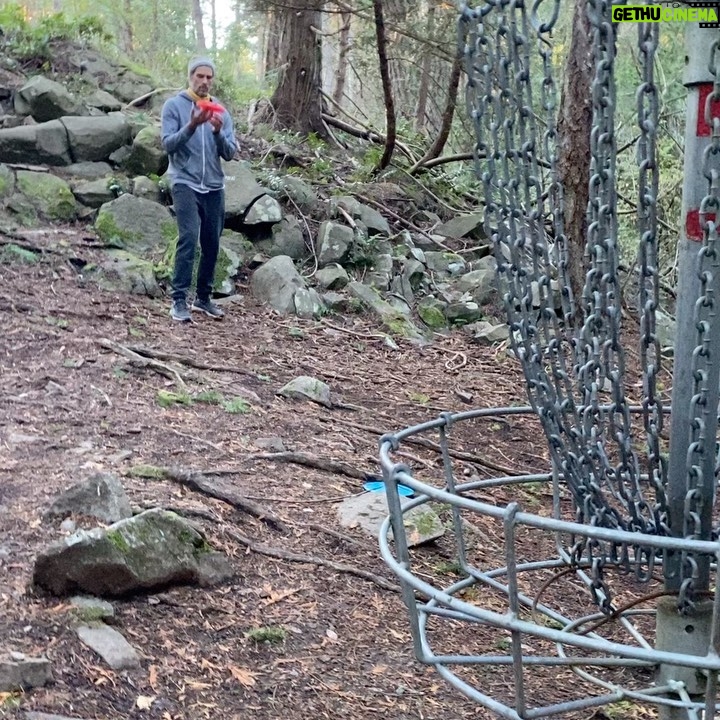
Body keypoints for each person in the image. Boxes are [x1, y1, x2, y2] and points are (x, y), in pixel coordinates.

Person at [161, 56, 237, 322]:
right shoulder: (174, 106)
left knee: (212, 244)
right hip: (184, 181)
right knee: (189, 238)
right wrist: (192, 125)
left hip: (214, 185)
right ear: (190, 76)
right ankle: (178, 300)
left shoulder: (221, 111)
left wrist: (217, 133)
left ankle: (203, 299)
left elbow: (230, 153)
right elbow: (168, 144)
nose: (204, 81)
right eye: (199, 76)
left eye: (209, 77)